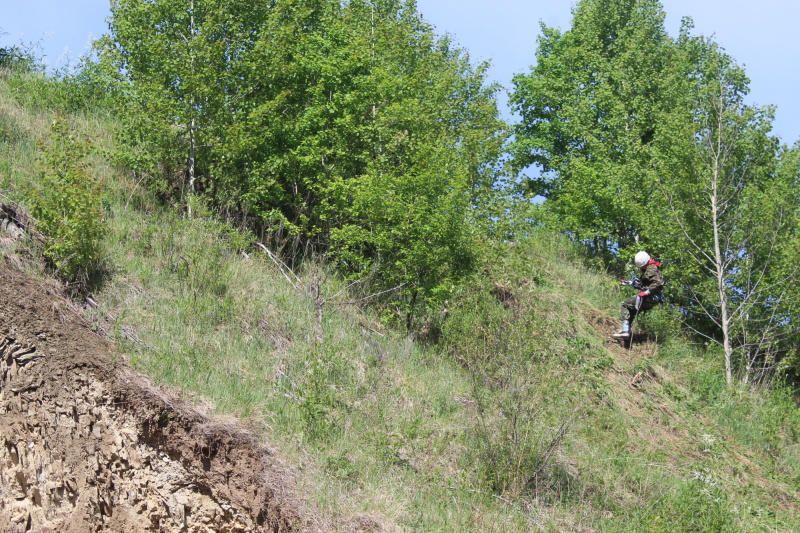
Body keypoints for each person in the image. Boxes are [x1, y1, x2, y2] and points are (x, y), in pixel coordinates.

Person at [613, 251, 664, 338]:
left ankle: (625, 330)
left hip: (650, 297)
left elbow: (657, 282)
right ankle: (626, 334)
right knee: (631, 310)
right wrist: (629, 282)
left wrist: (646, 292)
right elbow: (642, 284)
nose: (641, 268)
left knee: (625, 305)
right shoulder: (649, 268)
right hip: (653, 298)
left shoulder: (651, 268)